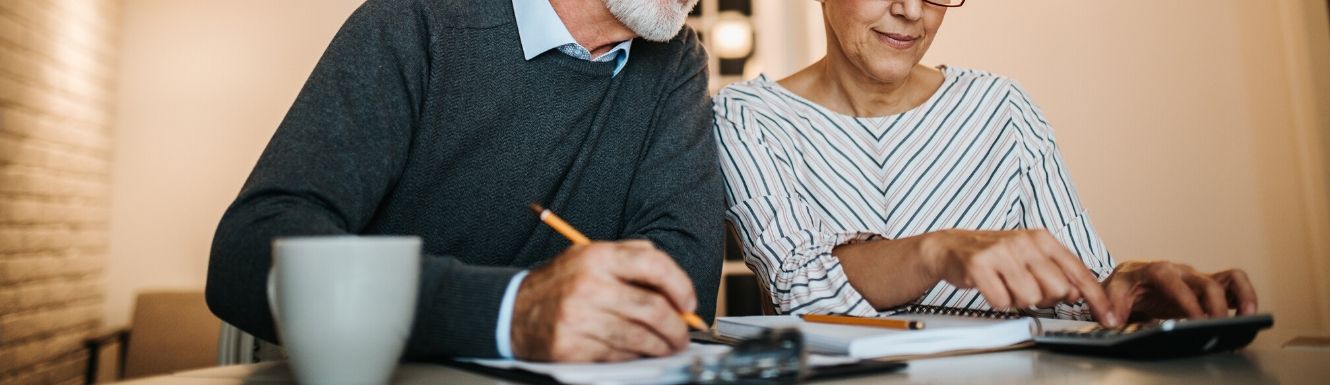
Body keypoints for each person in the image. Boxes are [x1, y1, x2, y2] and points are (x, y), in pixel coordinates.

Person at [207, 0, 721, 363]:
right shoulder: (413, 21)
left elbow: (680, 289)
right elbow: (248, 259)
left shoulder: (677, 62)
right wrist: (509, 311)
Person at [713, 0, 1257, 326]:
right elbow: (801, 288)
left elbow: (1078, 298)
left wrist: (1129, 288)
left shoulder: (1003, 108)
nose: (911, 9)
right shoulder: (748, 117)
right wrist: (937, 251)